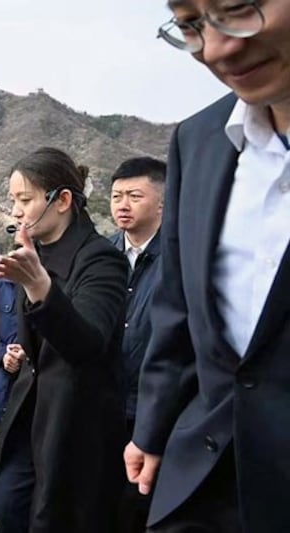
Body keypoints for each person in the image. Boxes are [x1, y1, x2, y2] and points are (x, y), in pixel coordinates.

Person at [124, 2, 290, 531]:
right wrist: (153, 429)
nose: (216, 48)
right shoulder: (198, 139)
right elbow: (178, 304)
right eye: (191, 25)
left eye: (238, 9)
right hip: (206, 478)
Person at [0, 147, 128, 533]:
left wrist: (39, 286)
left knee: (56, 517)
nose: (16, 211)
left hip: (76, 419)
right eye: (13, 200)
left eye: (25, 200)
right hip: (31, 412)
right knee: (7, 504)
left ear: (62, 200)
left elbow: (87, 344)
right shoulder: (34, 254)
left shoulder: (102, 260)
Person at [108, 157, 166, 533]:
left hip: (154, 409)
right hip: (105, 404)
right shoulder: (102, 255)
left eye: (134, 196)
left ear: (162, 202)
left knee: (140, 506)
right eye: (116, 196)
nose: (123, 205)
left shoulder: (182, 257)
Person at [0, 228, 21, 424]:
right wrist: (3, 355)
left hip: (34, 373)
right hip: (2, 376)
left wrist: (25, 352)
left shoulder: (47, 285)